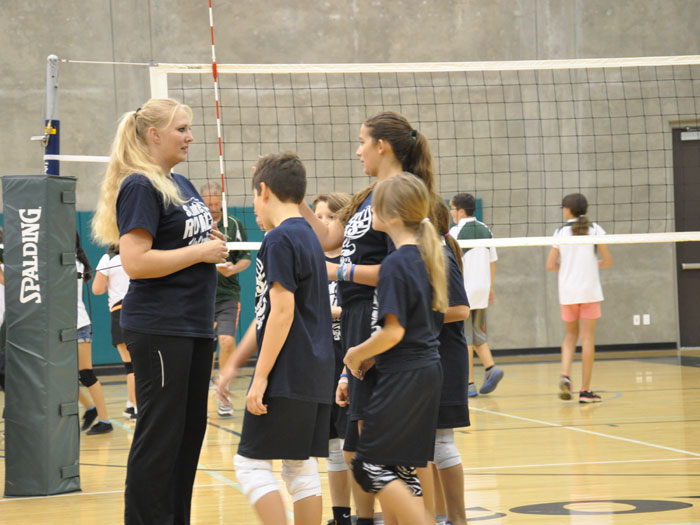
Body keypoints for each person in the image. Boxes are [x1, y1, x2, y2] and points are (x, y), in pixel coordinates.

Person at [299, 111, 440, 525]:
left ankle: (425, 517)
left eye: (362, 141)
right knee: (366, 445)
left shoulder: (401, 198)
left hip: (381, 320)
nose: (357, 150)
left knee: (392, 451)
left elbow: (399, 269)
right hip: (359, 320)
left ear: (382, 146)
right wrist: (293, 199)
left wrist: (339, 272)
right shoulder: (366, 197)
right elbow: (328, 237)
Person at [91, 98, 228, 524]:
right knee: (161, 438)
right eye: (181, 129)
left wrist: (208, 246)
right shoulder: (139, 186)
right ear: (154, 134)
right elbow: (135, 262)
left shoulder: (180, 183)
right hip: (161, 327)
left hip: (193, 326)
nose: (190, 137)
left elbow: (184, 243)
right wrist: (199, 252)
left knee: (188, 436)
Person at [216, 151, 335, 525]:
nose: (253, 206)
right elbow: (272, 313)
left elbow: (281, 312)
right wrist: (235, 365)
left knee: (250, 465)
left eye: (253, 195)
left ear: (264, 190)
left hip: (287, 372)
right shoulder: (309, 237)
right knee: (300, 467)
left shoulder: (279, 238)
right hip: (315, 372)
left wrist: (261, 376)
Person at [344, 173, 446, 525]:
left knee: (369, 466)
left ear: (392, 215)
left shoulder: (396, 263)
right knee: (401, 469)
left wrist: (355, 354)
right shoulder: (424, 257)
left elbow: (393, 332)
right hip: (425, 372)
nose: (370, 212)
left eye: (375, 207)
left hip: (405, 375)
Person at [546, 193, 613, 403]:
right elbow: (608, 261)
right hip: (589, 292)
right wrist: (593, 265)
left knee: (569, 336)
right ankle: (585, 391)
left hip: (568, 292)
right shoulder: (595, 229)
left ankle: (565, 375)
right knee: (587, 339)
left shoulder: (560, 232)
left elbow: (550, 265)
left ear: (568, 210)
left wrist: (567, 268)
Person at [312, 192, 354, 525]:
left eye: (330, 217)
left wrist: (334, 312)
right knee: (331, 446)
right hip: (319, 360)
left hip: (349, 356)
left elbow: (363, 310)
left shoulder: (353, 261)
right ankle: (341, 516)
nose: (324, 223)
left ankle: (366, 511)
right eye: (318, 217)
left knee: (352, 442)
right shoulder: (310, 261)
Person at [432, 199, 471, 525]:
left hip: (446, 358)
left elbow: (460, 309)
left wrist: (415, 317)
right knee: (430, 446)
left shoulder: (443, 257)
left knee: (442, 443)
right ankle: (439, 516)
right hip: (430, 357)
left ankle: (458, 519)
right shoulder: (428, 255)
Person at [199, 181, 251, 417]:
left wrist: (233, 268)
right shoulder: (197, 224)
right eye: (208, 204)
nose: (213, 208)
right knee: (204, 347)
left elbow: (246, 257)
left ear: (221, 201)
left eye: (215, 203)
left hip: (228, 295)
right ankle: (202, 390)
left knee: (227, 341)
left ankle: (224, 392)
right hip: (202, 295)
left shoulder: (234, 223)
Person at [449, 193, 504, 397]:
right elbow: (492, 260)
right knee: (476, 333)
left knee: (464, 337)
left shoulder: (455, 232)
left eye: (452, 209)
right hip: (482, 287)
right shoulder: (486, 229)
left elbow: (453, 264)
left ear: (461, 211)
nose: (451, 213)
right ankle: (491, 368)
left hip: (465, 289)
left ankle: (469, 383)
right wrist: (490, 287)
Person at [92, 244, 136, 420]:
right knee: (137, 364)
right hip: (141, 310)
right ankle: (131, 405)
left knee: (131, 365)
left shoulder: (108, 259)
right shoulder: (139, 255)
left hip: (120, 311)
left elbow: (97, 289)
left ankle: (136, 408)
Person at [75, 233, 113, 435]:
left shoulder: (73, 263)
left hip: (78, 324)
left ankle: (105, 420)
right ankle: (90, 408)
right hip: (61, 326)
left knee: (86, 373)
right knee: (62, 375)